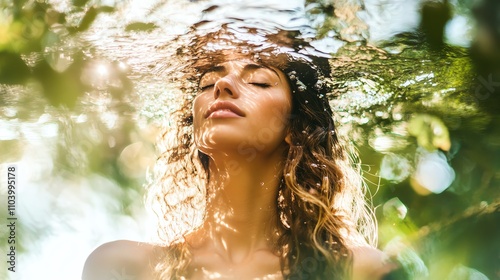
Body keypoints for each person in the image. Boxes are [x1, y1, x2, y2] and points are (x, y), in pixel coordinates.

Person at [82, 26, 400, 280]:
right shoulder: (122, 268)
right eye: (208, 82)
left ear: (296, 127)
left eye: (259, 81)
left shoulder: (360, 270)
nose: (224, 84)